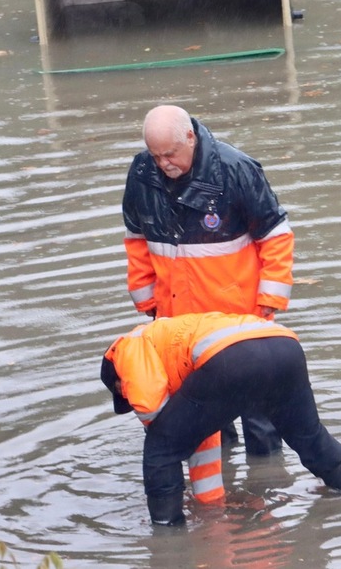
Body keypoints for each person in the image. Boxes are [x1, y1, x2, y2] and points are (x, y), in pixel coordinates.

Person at [121, 104, 294, 455]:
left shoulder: (235, 170)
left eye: (170, 154)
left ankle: (266, 483)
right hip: (177, 323)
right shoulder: (142, 174)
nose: (163, 164)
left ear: (190, 137)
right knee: (202, 417)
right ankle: (222, 475)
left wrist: (268, 304)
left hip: (239, 320)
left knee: (259, 416)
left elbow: (275, 236)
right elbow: (136, 238)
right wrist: (147, 302)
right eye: (156, 156)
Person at [100, 312, 341, 526]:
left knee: (160, 448)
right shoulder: (171, 342)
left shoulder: (126, 348)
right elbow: (199, 434)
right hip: (285, 344)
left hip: (232, 358)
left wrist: (160, 438)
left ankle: (166, 532)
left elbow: (150, 406)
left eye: (124, 394)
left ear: (118, 382)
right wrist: (209, 505)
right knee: (309, 437)